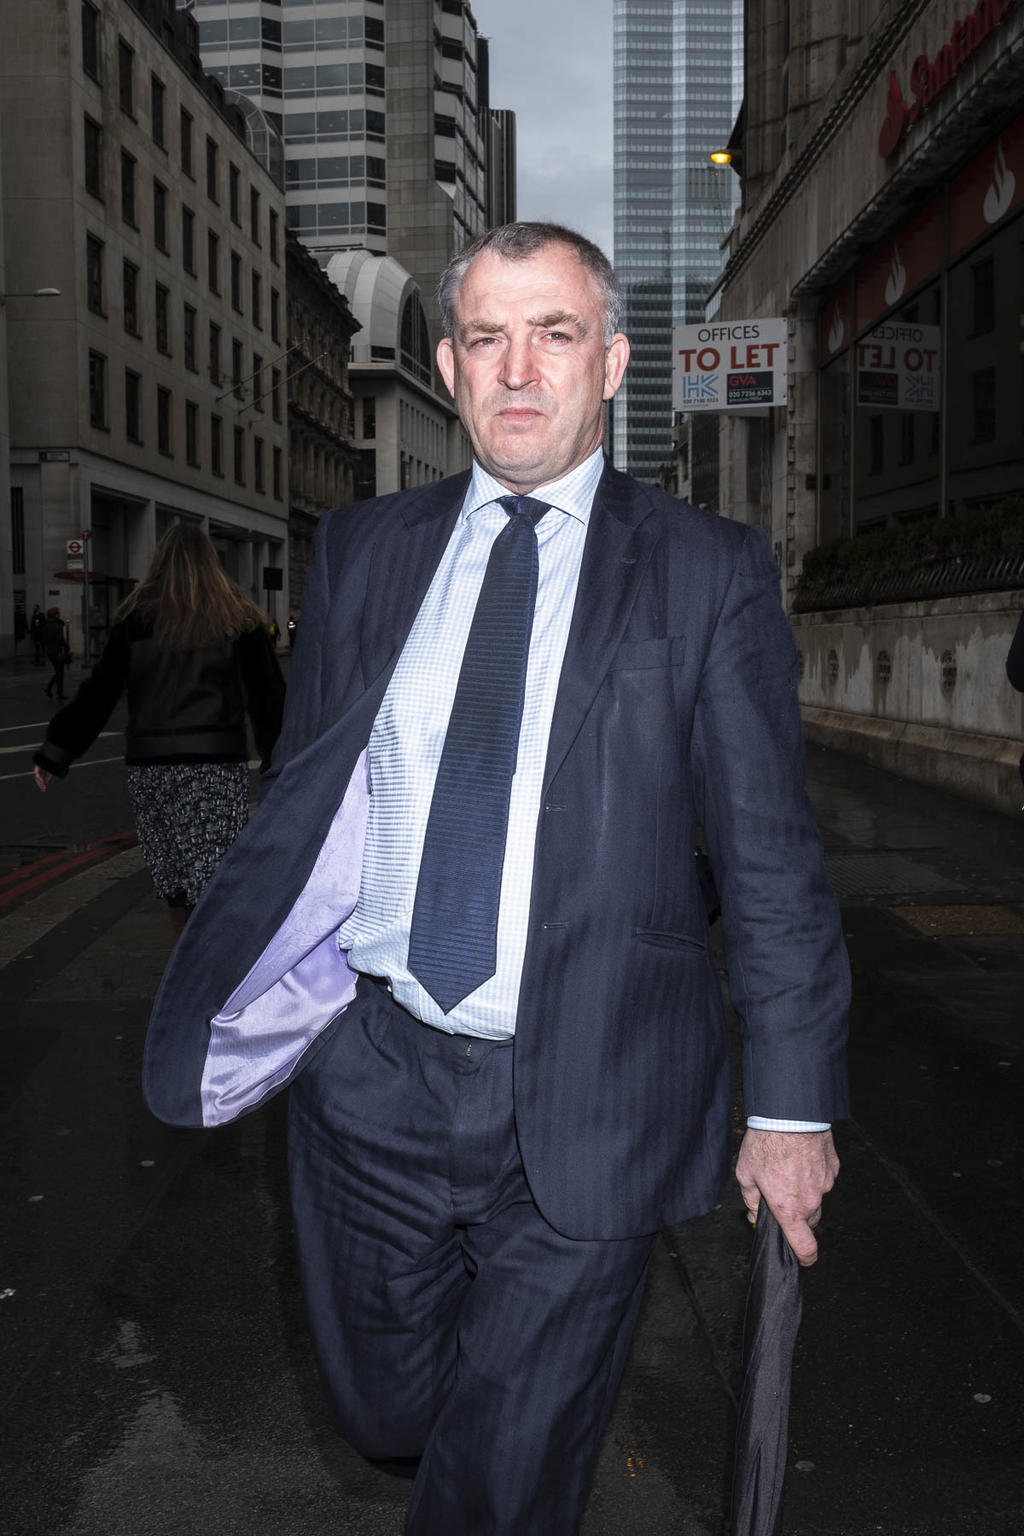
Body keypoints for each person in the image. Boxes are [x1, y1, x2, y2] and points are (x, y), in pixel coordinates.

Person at [143, 224, 849, 1533]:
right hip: (376, 1077)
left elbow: (772, 862)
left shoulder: (707, 571)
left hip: (594, 1089)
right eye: (487, 338)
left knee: (505, 1476)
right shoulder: (363, 550)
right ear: (450, 368)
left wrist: (792, 1108)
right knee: (388, 1419)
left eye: (555, 334)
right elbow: (309, 794)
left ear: (611, 363)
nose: (518, 369)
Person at [34, 524, 285, 936]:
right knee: (213, 885)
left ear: (160, 562)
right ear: (212, 562)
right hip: (214, 768)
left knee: (176, 888)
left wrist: (56, 750)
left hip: (149, 769)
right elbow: (268, 701)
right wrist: (281, 765)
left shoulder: (136, 618)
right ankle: (204, 973)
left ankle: (183, 969)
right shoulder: (239, 619)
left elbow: (99, 692)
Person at [41, 606, 68, 700]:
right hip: (57, 651)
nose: (59, 614)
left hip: (50, 651)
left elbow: (43, 639)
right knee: (60, 672)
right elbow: (60, 639)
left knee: (58, 672)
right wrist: (66, 647)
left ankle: (56, 692)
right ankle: (52, 690)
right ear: (56, 615)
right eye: (59, 613)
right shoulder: (58, 625)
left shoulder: (46, 625)